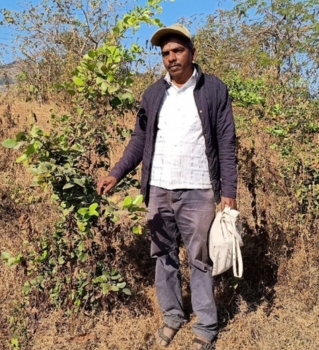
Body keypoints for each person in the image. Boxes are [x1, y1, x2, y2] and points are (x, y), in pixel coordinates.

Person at [96, 24, 237, 350]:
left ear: (192, 53)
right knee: (164, 256)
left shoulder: (214, 90)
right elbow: (139, 140)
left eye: (177, 51)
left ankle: (206, 327)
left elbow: (227, 143)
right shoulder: (153, 93)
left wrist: (228, 192)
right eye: (165, 53)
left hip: (199, 190)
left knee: (201, 260)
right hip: (159, 189)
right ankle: (173, 316)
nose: (171, 58)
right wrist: (116, 173)